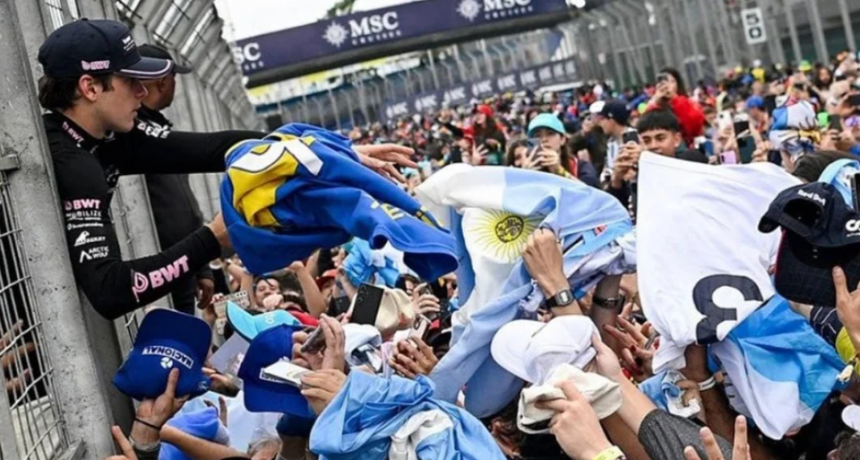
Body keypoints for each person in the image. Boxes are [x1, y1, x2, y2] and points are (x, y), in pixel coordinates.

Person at [38, 19, 415, 320]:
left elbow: (215, 147)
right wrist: (213, 238)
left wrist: (335, 152)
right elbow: (111, 291)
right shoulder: (71, 161)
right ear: (89, 87)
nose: (142, 92)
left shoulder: (104, 138)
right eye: (130, 81)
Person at [137, 44, 214, 315]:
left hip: (183, 262)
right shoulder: (130, 133)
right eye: (174, 78)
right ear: (162, 80)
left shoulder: (162, 133)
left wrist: (201, 266)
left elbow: (186, 205)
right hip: (154, 270)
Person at [606, 110, 707, 214]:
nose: (653, 146)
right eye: (646, 140)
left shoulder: (692, 160)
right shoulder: (636, 171)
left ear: (677, 139)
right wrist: (617, 179)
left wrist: (647, 159)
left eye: (660, 138)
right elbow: (614, 214)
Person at [527, 113, 599, 187]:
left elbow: (592, 194)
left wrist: (559, 171)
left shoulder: (580, 166)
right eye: (537, 136)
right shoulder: (527, 169)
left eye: (550, 134)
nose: (544, 139)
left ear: (562, 139)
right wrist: (527, 176)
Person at [648, 68, 705, 147]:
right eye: (663, 82)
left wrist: (675, 99)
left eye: (672, 81)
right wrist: (655, 102)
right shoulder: (654, 104)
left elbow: (693, 128)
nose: (667, 85)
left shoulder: (688, 102)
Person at [595, 99, 638, 184]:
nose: (600, 124)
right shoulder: (611, 142)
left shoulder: (635, 138)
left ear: (611, 120)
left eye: (603, 119)